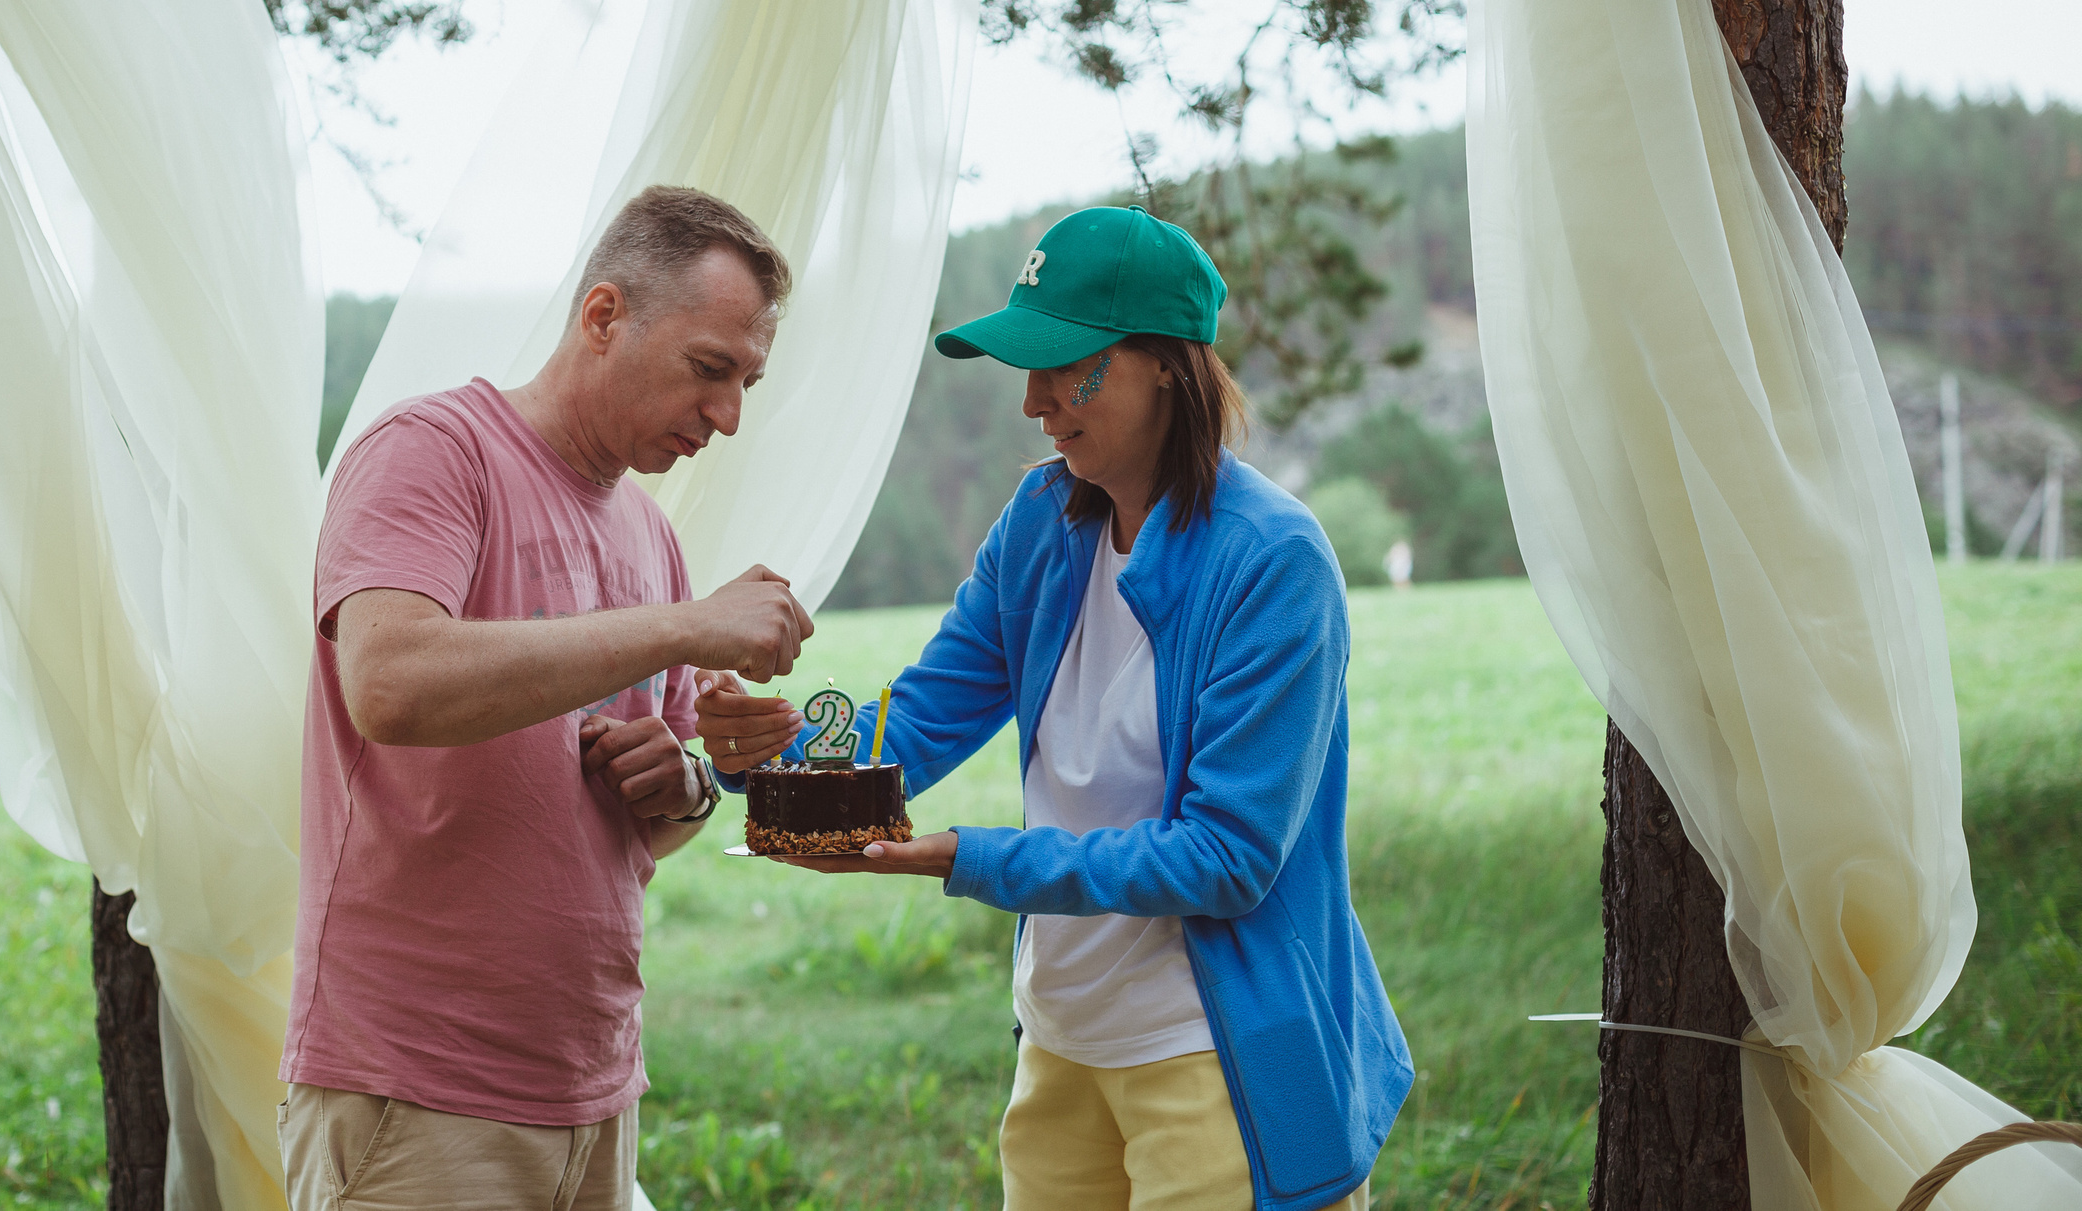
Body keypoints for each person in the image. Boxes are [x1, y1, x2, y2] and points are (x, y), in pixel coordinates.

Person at [698, 205, 1411, 1211]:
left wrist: (969, 858)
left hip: (1216, 1060)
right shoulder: (1041, 521)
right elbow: (919, 721)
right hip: (1061, 1045)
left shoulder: (1273, 560)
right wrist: (760, 761)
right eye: (1022, 368)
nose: (1034, 401)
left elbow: (1227, 859)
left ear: (1165, 363)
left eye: (1065, 365)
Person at [280, 185, 815, 1211]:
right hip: (415, 1094)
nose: (729, 416)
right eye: (710, 370)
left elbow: (636, 838)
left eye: (746, 380)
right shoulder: (432, 452)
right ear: (604, 316)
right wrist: (685, 625)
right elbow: (388, 685)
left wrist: (696, 783)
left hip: (596, 1090)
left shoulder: (646, 533)